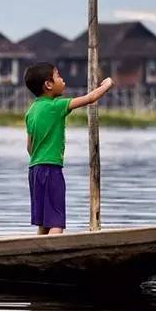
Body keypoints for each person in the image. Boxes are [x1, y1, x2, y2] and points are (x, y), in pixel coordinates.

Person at [23, 63, 114, 235]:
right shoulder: (56, 106)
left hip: (34, 170)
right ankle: (53, 250)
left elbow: (29, 147)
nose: (62, 79)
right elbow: (90, 98)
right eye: (58, 76)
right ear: (48, 84)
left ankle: (38, 249)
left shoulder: (31, 111)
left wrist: (41, 154)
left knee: (44, 222)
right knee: (56, 222)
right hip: (51, 169)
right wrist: (107, 84)